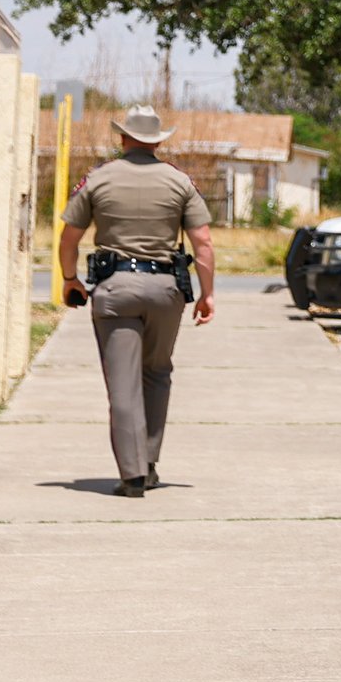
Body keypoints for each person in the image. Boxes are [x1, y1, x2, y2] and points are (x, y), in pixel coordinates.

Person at [56, 105, 215, 499]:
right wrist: (208, 293)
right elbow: (204, 242)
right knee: (157, 372)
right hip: (165, 290)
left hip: (115, 291)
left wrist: (70, 279)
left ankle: (131, 477)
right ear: (158, 142)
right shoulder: (180, 182)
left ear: (123, 138)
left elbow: (68, 238)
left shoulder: (97, 178)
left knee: (123, 385)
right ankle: (149, 462)